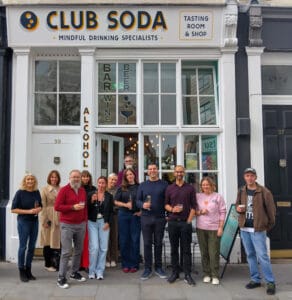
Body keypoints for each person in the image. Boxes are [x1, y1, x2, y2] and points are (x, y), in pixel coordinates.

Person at [236, 167, 276, 296]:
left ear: (256, 177)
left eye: (252, 175)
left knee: (263, 256)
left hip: (258, 229)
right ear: (244, 177)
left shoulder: (264, 192)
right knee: (250, 255)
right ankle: (255, 279)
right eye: (247, 175)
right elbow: (237, 205)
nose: (249, 178)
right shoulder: (241, 191)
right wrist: (238, 209)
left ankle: (270, 282)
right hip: (245, 228)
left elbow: (271, 211)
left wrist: (267, 225)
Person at [54, 169, 87, 289]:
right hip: (67, 224)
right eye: (74, 177)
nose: (76, 179)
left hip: (81, 224)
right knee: (66, 251)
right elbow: (57, 207)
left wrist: (85, 221)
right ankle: (61, 277)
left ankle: (74, 272)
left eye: (78, 177)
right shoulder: (64, 190)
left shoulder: (82, 190)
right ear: (69, 178)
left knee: (79, 250)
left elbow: (85, 208)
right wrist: (73, 207)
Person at [165, 165, 197, 286]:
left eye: (181, 172)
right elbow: (166, 205)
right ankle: (175, 272)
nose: (179, 174)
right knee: (174, 249)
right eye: (177, 172)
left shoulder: (190, 188)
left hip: (185, 223)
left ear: (184, 173)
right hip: (172, 222)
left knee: (186, 250)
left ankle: (187, 274)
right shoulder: (169, 188)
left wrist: (189, 221)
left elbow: (194, 206)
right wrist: (172, 209)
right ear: (174, 173)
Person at [136, 163, 168, 280]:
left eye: (154, 169)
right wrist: (142, 204)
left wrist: (168, 215)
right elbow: (137, 201)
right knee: (147, 243)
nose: (152, 171)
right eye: (150, 169)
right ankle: (147, 268)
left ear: (157, 170)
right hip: (146, 217)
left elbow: (168, 201)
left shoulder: (164, 184)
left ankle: (158, 267)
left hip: (160, 218)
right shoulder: (143, 185)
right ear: (147, 171)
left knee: (158, 243)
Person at [11, 173, 42, 282]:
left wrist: (38, 209)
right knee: (23, 246)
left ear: (34, 181)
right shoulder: (20, 193)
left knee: (32, 246)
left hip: (34, 222)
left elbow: (40, 205)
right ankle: (21, 270)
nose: (30, 181)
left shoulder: (36, 192)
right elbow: (13, 209)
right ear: (25, 181)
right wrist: (28, 211)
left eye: (32, 179)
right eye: (28, 179)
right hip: (24, 222)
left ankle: (28, 269)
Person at [196, 176, 226, 285]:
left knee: (213, 252)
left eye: (207, 185)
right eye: (203, 185)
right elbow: (194, 211)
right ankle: (206, 274)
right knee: (204, 252)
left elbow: (223, 212)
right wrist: (199, 213)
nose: (205, 186)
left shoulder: (218, 197)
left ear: (212, 185)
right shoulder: (198, 196)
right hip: (201, 228)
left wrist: (220, 227)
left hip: (214, 229)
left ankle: (215, 275)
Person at [115, 168, 141, 273]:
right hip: (123, 215)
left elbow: (146, 199)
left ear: (134, 175)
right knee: (124, 240)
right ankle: (125, 264)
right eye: (127, 175)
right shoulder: (121, 188)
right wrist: (125, 204)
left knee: (135, 240)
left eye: (131, 174)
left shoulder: (140, 187)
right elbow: (115, 201)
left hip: (135, 215)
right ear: (125, 177)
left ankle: (134, 264)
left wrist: (142, 212)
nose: (130, 176)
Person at [87, 176, 113, 280]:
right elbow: (86, 210)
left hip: (104, 223)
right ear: (97, 184)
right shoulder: (91, 194)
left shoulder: (109, 196)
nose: (101, 185)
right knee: (95, 248)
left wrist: (108, 222)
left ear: (106, 184)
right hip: (92, 222)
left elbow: (111, 211)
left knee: (103, 248)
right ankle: (91, 271)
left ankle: (100, 271)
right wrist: (91, 201)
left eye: (103, 183)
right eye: (99, 183)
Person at [40, 170, 61, 272]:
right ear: (49, 178)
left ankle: (57, 263)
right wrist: (44, 220)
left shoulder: (61, 189)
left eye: (56, 177)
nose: (54, 179)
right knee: (48, 241)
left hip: (60, 216)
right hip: (49, 215)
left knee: (57, 240)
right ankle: (47, 264)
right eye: (52, 177)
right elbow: (43, 206)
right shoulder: (44, 189)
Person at [80, 170, 96, 272]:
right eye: (84, 177)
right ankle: (79, 264)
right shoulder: (78, 188)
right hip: (79, 217)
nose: (86, 178)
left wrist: (91, 202)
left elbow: (94, 205)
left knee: (88, 242)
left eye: (87, 177)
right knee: (79, 242)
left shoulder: (93, 189)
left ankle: (87, 264)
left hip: (89, 217)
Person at [106, 173, 119, 268]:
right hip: (104, 217)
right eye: (112, 179)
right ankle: (107, 258)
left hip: (115, 216)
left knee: (114, 237)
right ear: (108, 179)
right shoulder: (103, 189)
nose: (113, 181)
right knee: (105, 238)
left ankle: (114, 258)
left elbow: (118, 204)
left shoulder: (118, 190)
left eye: (115, 180)